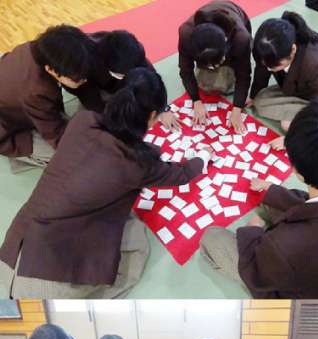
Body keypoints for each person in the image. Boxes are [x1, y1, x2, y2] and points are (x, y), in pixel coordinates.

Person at [0, 67, 212, 298]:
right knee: (137, 244)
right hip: (42, 280)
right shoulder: (137, 161)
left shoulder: (83, 120)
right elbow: (181, 175)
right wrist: (203, 156)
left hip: (10, 251)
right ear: (152, 116)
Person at [200, 96, 318, 298]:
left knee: (211, 237)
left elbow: (256, 271)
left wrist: (252, 230)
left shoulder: (285, 245)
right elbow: (314, 206)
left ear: (298, 173)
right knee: (272, 205)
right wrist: (272, 190)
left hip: (305, 306)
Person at [0, 25, 94, 171]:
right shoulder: (36, 92)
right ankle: (24, 156)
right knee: (78, 156)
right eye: (77, 78)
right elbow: (55, 135)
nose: (83, 80)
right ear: (50, 70)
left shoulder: (39, 47)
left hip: (16, 97)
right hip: (6, 130)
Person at [249, 12, 318, 146]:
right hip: (302, 86)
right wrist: (253, 95)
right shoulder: (266, 47)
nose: (268, 69)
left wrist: (291, 139)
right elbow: (262, 70)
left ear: (293, 50)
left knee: (287, 125)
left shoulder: (314, 63)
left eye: (274, 66)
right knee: (259, 100)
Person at [66, 29, 180, 131]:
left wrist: (162, 109)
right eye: (123, 75)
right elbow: (92, 101)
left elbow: (150, 78)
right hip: (94, 81)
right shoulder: (85, 65)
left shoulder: (133, 53)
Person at [178, 1, 252, 134]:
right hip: (209, 47)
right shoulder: (186, 34)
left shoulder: (240, 38)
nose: (213, 68)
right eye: (209, 65)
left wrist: (237, 109)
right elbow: (185, 70)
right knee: (205, 85)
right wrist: (196, 101)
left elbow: (244, 75)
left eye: (216, 64)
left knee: (227, 85)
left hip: (236, 21)